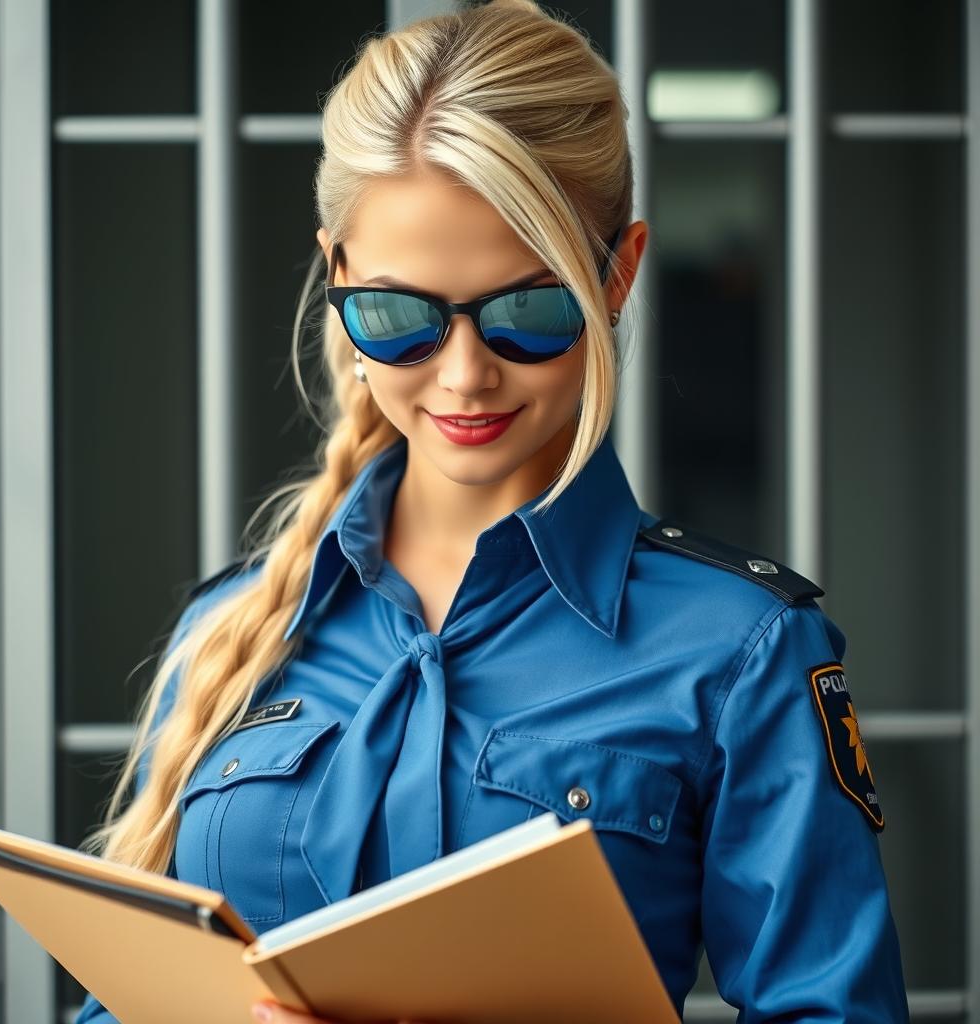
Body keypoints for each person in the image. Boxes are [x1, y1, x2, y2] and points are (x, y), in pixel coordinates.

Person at [73, 1, 909, 1021]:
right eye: (399, 318)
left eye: (527, 312)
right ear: (337, 277)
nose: (464, 378)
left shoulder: (743, 651)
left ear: (618, 274)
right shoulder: (230, 629)